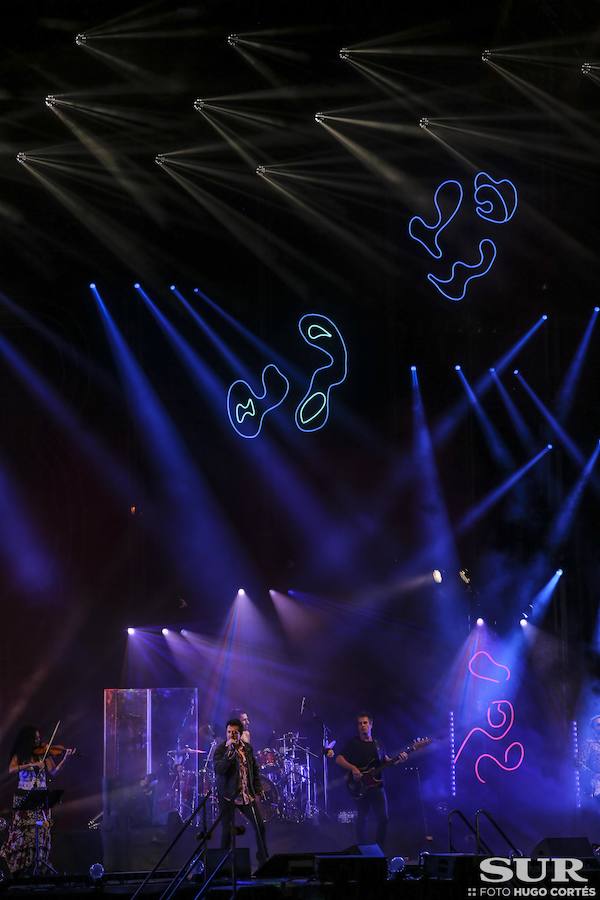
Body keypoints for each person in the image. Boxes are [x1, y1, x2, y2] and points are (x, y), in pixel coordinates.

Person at [0, 726, 75, 875]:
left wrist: (65, 759)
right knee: (23, 832)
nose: (38, 741)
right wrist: (33, 764)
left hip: (41, 796)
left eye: (39, 738)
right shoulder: (20, 754)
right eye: (35, 738)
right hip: (24, 796)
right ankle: (21, 868)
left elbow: (54, 772)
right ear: (28, 740)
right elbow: (12, 769)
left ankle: (39, 864)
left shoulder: (44, 754)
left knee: (41, 827)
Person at [335, 712, 407, 850]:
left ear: (371, 725)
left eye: (365, 723)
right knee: (362, 818)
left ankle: (379, 849)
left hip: (377, 786)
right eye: (360, 723)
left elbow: (386, 762)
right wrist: (353, 768)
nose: (362, 726)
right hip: (359, 786)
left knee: (384, 818)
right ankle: (361, 848)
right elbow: (338, 759)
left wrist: (399, 760)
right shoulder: (353, 743)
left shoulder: (378, 744)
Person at [213, 718, 268, 865]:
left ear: (240, 734)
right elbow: (219, 769)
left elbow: (254, 770)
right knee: (227, 830)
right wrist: (229, 754)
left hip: (245, 795)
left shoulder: (247, 749)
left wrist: (257, 789)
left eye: (235, 733)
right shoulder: (220, 749)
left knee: (260, 826)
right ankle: (222, 864)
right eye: (229, 732)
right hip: (228, 795)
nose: (231, 735)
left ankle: (263, 858)